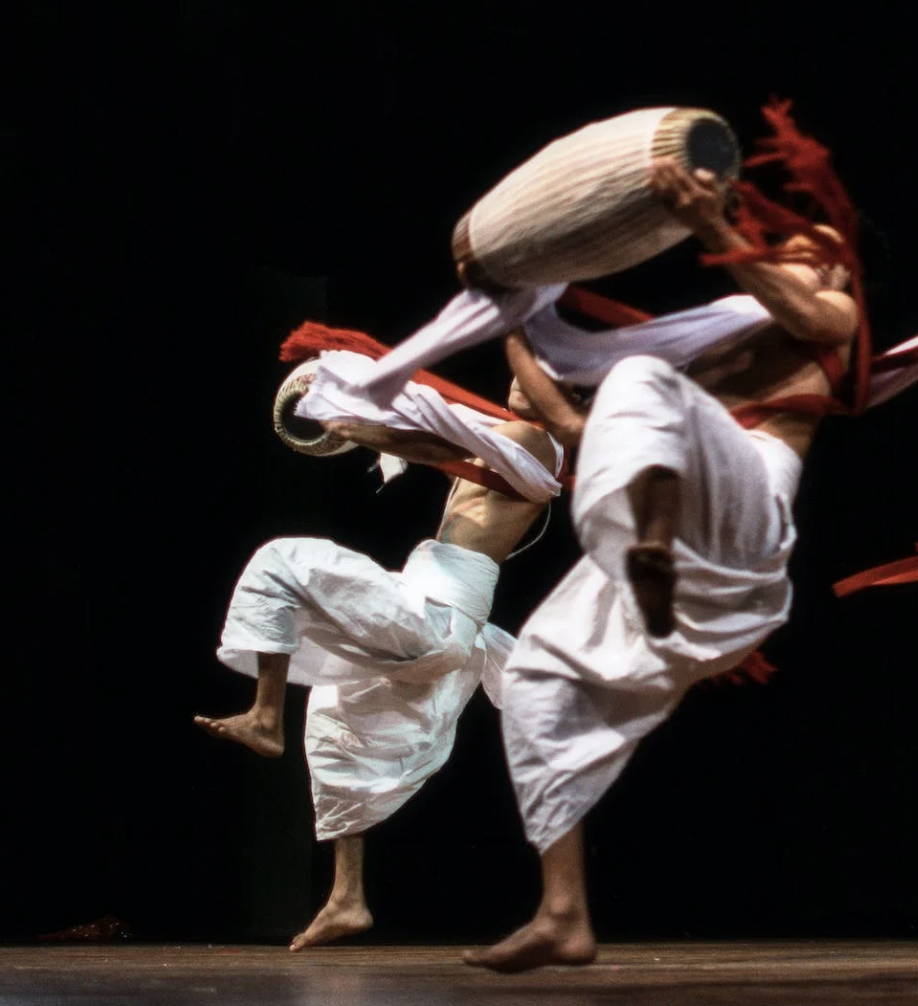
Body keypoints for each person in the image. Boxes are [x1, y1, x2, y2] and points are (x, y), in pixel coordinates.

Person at [463, 159, 861, 972]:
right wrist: (508, 323)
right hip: (692, 567)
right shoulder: (707, 343)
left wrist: (715, 228)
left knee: (640, 380)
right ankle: (564, 911)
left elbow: (808, 316)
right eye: (787, 246)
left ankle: (650, 545)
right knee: (534, 674)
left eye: (809, 249)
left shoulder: (836, 312)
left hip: (746, 518)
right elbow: (574, 430)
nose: (795, 254)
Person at [198, 405, 555, 950]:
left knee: (282, 561)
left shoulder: (530, 436)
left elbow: (441, 449)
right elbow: (443, 434)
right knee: (338, 721)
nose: (513, 376)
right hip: (441, 622)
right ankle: (347, 898)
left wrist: (362, 428)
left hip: (438, 614)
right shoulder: (512, 434)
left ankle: (266, 714)